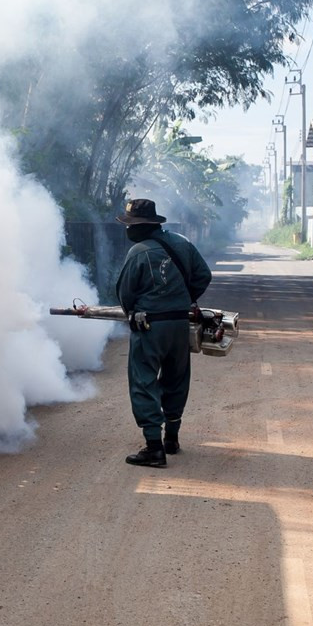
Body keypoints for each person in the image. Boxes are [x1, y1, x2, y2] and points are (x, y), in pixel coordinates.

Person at [115, 198, 212, 467]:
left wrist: (135, 311)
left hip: (149, 326)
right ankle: (172, 438)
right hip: (180, 325)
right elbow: (203, 275)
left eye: (131, 225)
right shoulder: (182, 243)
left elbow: (125, 294)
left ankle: (153, 447)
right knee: (176, 378)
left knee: (143, 380)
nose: (128, 230)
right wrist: (182, 300)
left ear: (141, 226)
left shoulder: (137, 253)